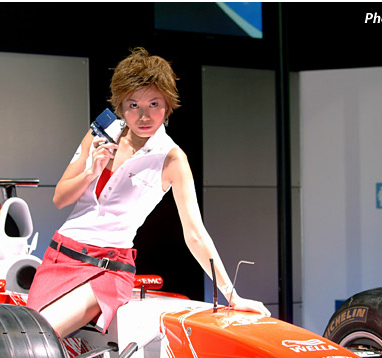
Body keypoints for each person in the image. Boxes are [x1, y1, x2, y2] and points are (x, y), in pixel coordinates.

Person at [26, 47, 270, 337]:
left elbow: (195, 234)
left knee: (38, 337)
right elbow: (60, 199)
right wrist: (91, 171)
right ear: (121, 105)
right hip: (58, 257)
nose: (144, 115)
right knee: (30, 345)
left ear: (167, 105)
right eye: (133, 105)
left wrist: (232, 295)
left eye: (154, 104)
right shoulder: (101, 133)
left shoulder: (171, 158)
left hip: (107, 270)